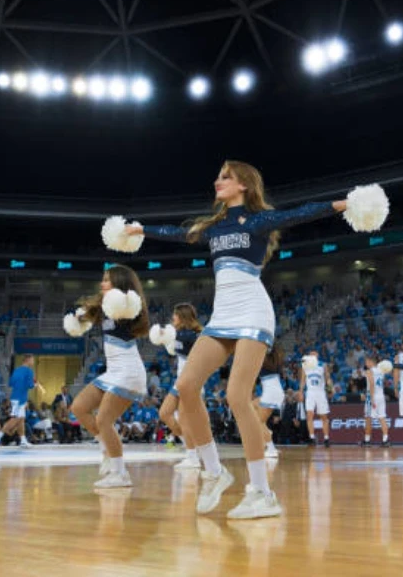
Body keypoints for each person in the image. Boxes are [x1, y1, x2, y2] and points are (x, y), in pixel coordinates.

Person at [123, 160, 381, 519]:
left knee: (236, 396)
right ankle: (214, 472)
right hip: (223, 316)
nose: (217, 181)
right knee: (186, 387)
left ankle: (262, 492)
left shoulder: (257, 220)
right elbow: (176, 232)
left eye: (225, 176)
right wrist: (139, 230)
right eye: (218, 176)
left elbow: (300, 213)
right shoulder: (213, 227)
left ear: (243, 184)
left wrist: (343, 204)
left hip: (254, 313)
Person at [67, 265, 150, 488]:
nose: (102, 284)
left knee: (104, 420)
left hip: (129, 372)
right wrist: (80, 316)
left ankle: (120, 473)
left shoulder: (127, 309)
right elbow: (86, 316)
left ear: (120, 284)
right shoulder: (104, 308)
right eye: (103, 280)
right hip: (113, 371)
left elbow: (132, 312)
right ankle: (106, 447)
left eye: (107, 280)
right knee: (79, 408)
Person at [157, 303, 203, 470]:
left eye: (175, 315)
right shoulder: (183, 335)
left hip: (191, 380)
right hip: (181, 380)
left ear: (182, 317)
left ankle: (192, 456)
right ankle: (192, 447)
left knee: (184, 418)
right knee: (165, 413)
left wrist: (164, 335)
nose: (172, 318)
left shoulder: (191, 335)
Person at [0, 355, 38, 450]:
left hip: (15, 397)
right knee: (16, 419)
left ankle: (23, 440)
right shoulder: (29, 371)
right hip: (20, 398)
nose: (33, 362)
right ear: (28, 360)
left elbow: (10, 383)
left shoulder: (16, 370)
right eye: (32, 360)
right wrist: (35, 384)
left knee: (21, 419)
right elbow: (30, 386)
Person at [253, 343, 285, 458]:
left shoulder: (261, 361)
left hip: (270, 393)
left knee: (259, 423)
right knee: (252, 405)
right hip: (277, 392)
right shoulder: (275, 360)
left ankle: (271, 449)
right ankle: (267, 433)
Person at [300, 351, 332, 448]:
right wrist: (300, 392)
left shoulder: (323, 365)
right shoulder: (305, 365)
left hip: (320, 392)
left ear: (317, 356)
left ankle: (326, 438)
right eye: (311, 354)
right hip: (310, 392)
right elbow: (302, 380)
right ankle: (312, 437)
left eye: (314, 354)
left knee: (324, 417)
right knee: (309, 415)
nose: (313, 356)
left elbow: (328, 378)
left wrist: (330, 389)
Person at [362, 356, 390, 447]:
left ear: (371, 361)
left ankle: (367, 441)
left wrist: (372, 398)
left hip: (372, 396)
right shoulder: (382, 371)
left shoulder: (370, 371)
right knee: (382, 418)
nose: (366, 364)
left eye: (366, 361)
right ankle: (385, 440)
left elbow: (372, 384)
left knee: (368, 418)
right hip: (381, 396)